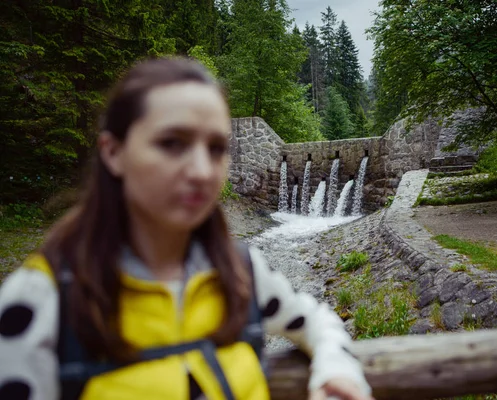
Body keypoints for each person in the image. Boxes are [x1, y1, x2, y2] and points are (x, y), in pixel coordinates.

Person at [0, 57, 373, 400]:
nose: (201, 171)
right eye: (172, 143)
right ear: (113, 152)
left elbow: (319, 321)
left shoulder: (240, 272)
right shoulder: (42, 302)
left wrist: (336, 369)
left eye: (216, 148)